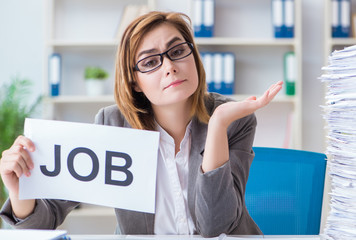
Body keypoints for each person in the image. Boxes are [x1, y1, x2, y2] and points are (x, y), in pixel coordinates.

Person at [0, 11, 282, 237]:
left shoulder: (233, 119)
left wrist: (218, 124)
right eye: (150, 62)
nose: (169, 66)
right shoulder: (112, 125)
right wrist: (19, 190)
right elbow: (44, 220)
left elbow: (214, 226)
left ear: (194, 56)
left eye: (177, 51)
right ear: (134, 80)